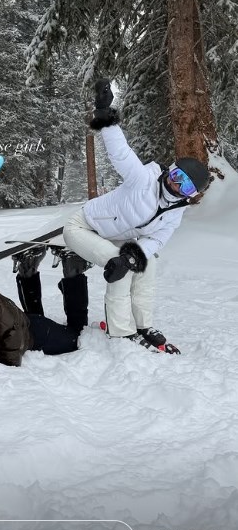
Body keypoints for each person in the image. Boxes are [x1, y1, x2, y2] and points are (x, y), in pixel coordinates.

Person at [63, 79, 211, 353]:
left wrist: (134, 254)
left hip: (119, 238)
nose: (177, 186)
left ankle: (144, 325)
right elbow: (120, 152)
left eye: (186, 186)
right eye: (178, 176)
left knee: (147, 264)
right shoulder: (142, 180)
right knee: (117, 266)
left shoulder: (175, 212)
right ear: (170, 170)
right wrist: (105, 113)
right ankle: (120, 333)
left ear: (191, 195)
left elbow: (156, 240)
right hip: (83, 226)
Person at [0, 248, 89, 367]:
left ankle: (73, 269)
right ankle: (28, 267)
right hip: (23, 320)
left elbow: (10, 362)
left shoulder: (3, 321)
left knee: (77, 337)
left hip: (35, 334)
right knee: (32, 316)